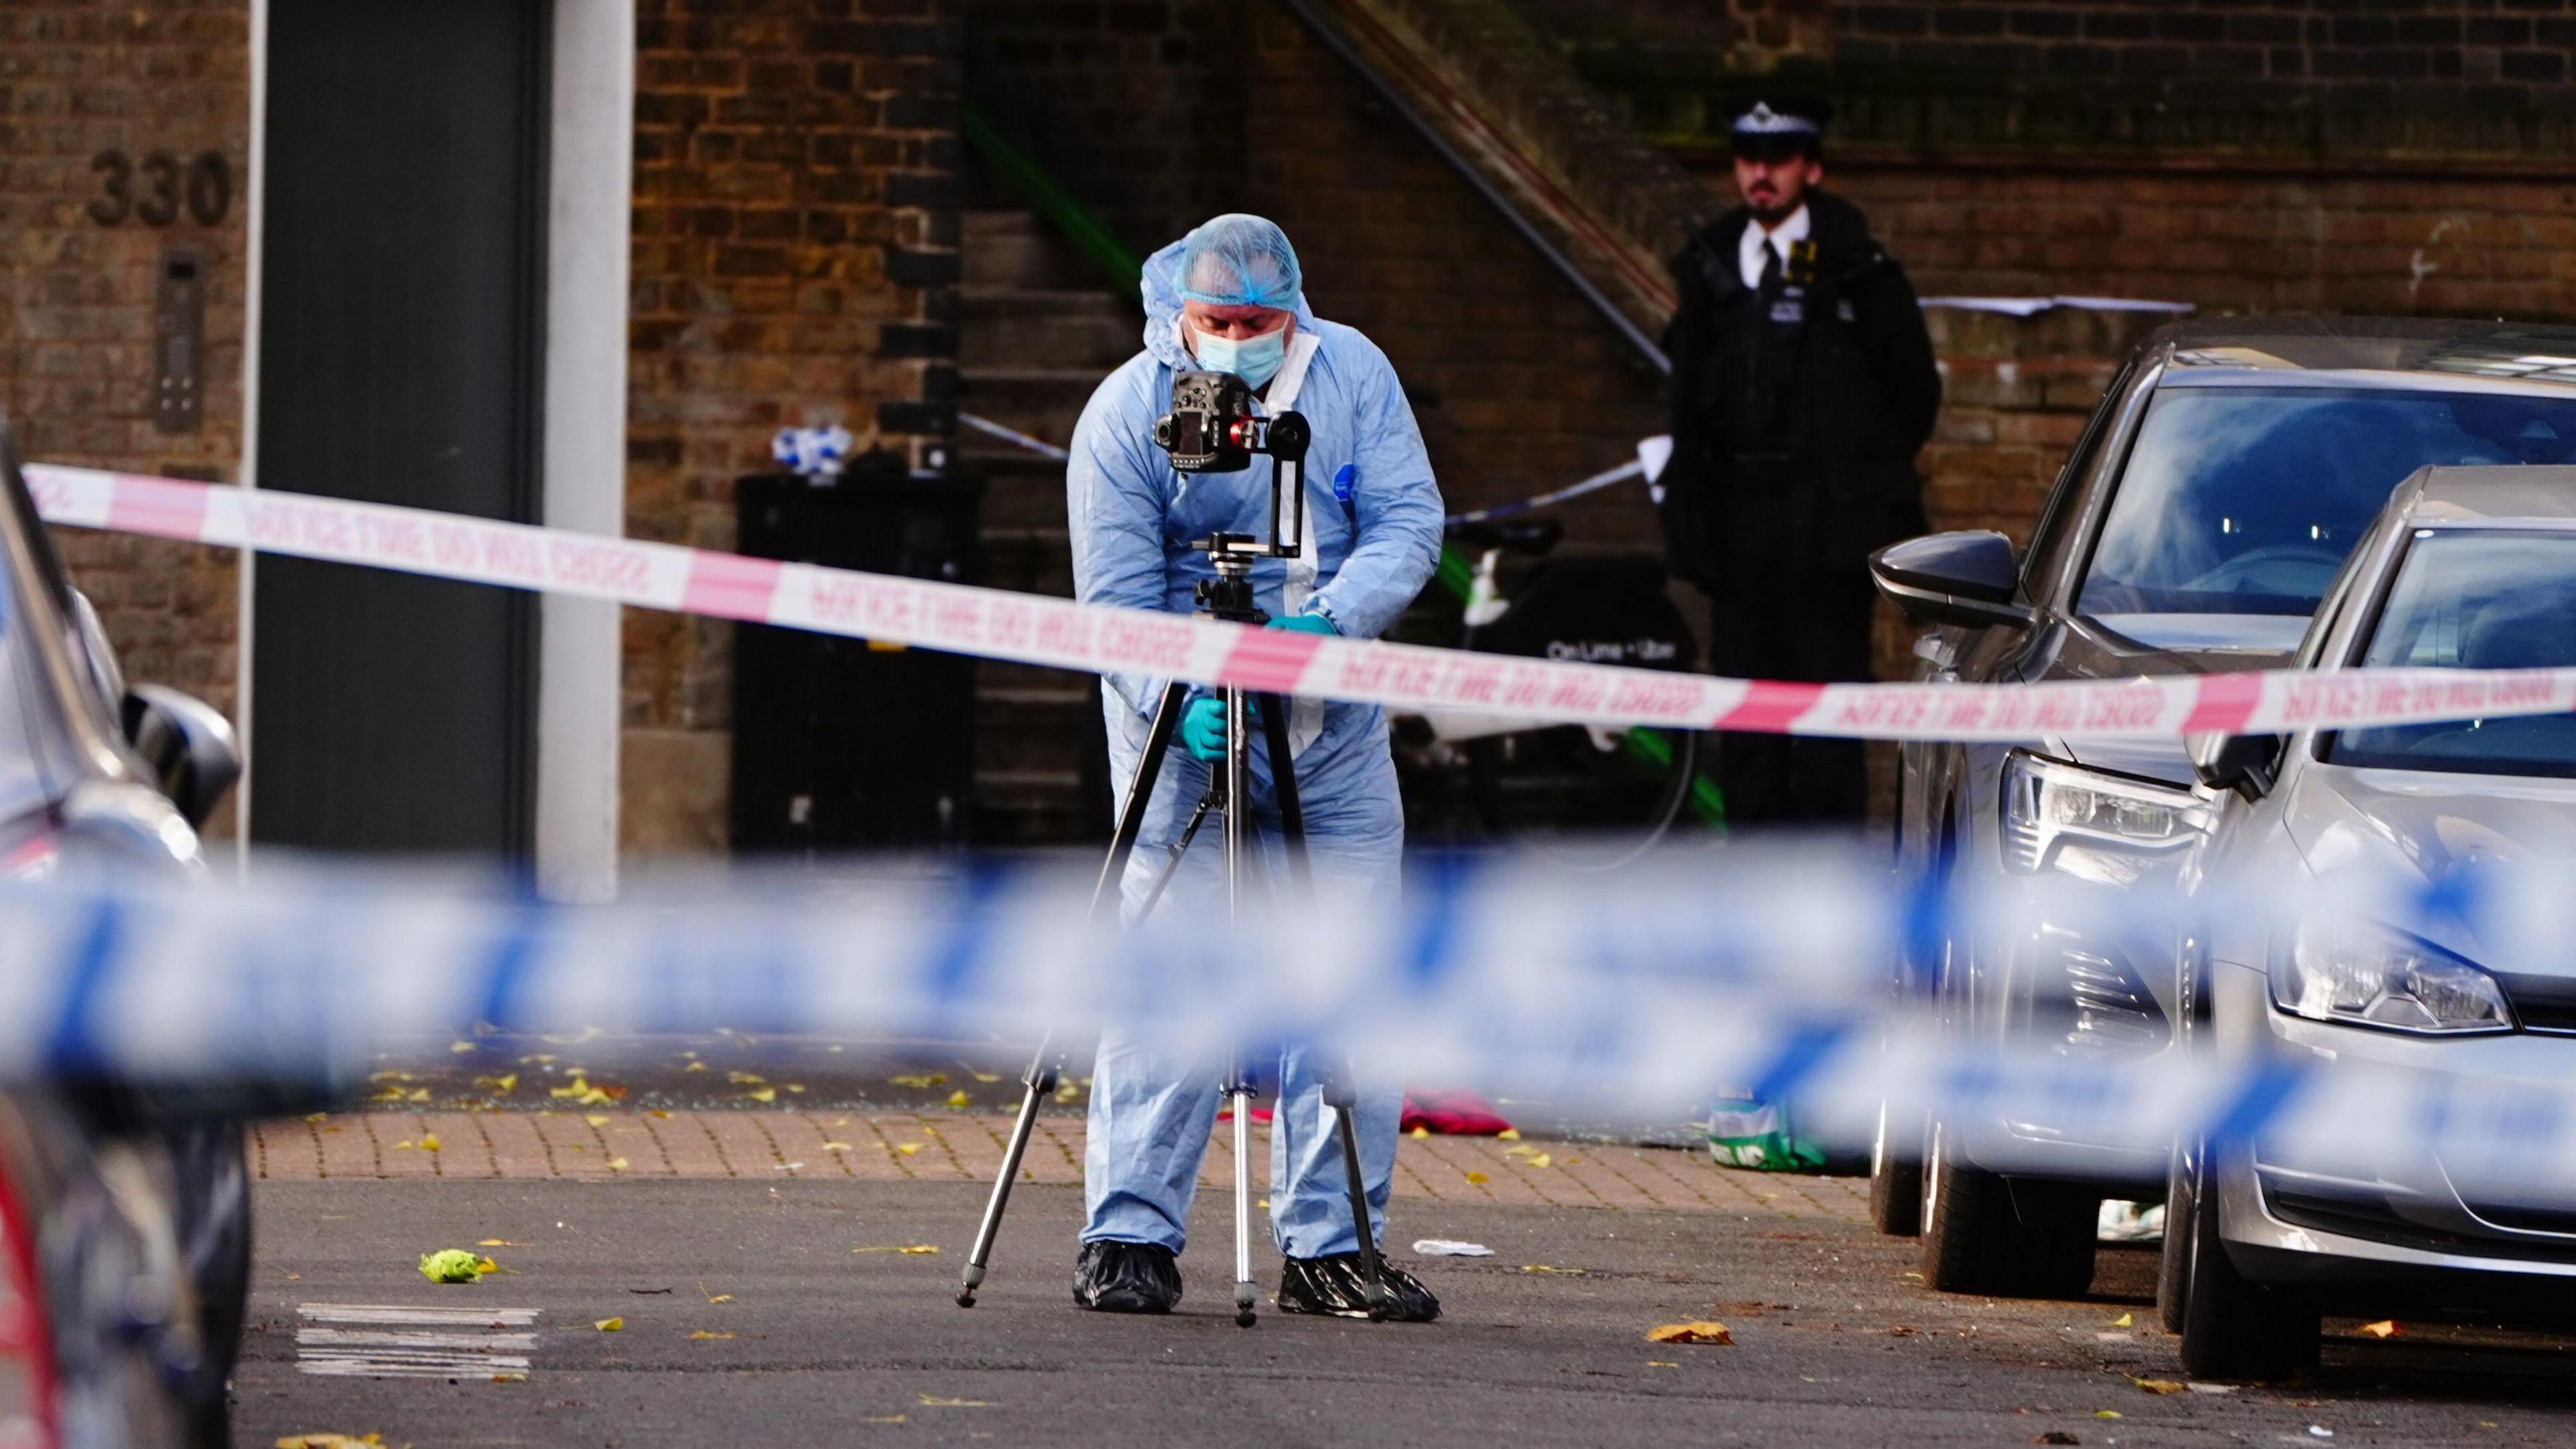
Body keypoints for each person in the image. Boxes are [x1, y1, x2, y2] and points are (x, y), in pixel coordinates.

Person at [1064, 214, 1445, 1320]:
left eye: (1258, 325)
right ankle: (1127, 1231)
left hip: (1333, 728)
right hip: (1183, 735)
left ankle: (1334, 1245)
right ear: (1175, 315)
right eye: (1216, 323)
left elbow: (1409, 521)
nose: (1235, 342)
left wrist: (1333, 623)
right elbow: (1115, 600)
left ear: (1296, 314)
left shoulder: (1354, 377)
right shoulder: (1127, 414)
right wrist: (1173, 700)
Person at [1660, 93, 1941, 824]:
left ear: (1810, 168)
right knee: (1746, 717)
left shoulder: (1859, 270)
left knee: (1827, 715)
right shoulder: (1710, 267)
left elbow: (1913, 397)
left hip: (1825, 528)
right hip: (1737, 525)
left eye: (1778, 160)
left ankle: (1829, 885)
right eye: (1749, 159)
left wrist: (1854, 477)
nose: (1760, 174)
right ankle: (1756, 886)